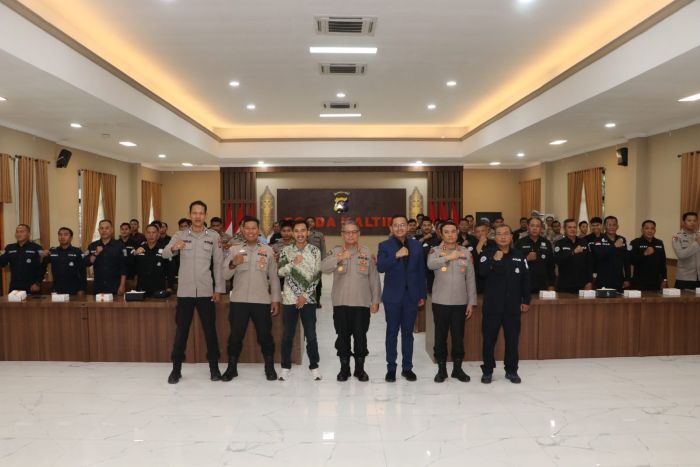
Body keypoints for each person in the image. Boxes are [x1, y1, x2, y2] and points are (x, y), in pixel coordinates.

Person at [162, 201, 225, 384]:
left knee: (210, 332)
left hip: (206, 292)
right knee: (181, 332)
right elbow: (165, 253)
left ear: (205, 215)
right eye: (194, 213)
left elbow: (218, 265)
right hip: (185, 292)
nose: (197, 216)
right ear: (190, 215)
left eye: (201, 213)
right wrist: (174, 247)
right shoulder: (180, 235)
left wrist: (218, 289)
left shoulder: (213, 236)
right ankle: (176, 370)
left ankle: (214, 369)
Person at [221, 216, 281, 382]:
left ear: (258, 230)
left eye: (254, 228)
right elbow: (225, 275)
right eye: (247, 228)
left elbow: (274, 277)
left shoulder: (268, 250)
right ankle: (232, 368)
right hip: (239, 301)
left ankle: (269, 367)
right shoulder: (234, 249)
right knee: (235, 337)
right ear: (242, 230)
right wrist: (233, 263)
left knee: (265, 336)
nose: (250, 231)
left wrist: (275, 299)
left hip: (261, 301)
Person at [321, 220, 381, 382]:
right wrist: (339, 258)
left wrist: (375, 300)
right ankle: (344, 369)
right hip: (340, 304)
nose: (350, 235)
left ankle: (360, 370)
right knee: (342, 338)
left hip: (361, 304)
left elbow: (374, 279)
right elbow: (323, 268)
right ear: (342, 235)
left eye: (354, 232)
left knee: (361, 338)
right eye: (347, 232)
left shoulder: (366, 252)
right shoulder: (336, 251)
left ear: (359, 234)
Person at [377, 215, 427, 382]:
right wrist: (396, 256)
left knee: (408, 334)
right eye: (396, 225)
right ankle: (391, 368)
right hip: (392, 296)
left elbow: (421, 271)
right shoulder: (384, 245)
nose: (399, 228)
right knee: (392, 333)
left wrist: (421, 294)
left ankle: (407, 368)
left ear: (408, 227)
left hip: (411, 296)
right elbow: (380, 267)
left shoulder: (416, 245)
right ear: (391, 228)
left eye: (402, 225)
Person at [479, 225, 531, 384]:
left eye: (506, 234)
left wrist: (526, 300)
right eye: (499, 234)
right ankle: (487, 371)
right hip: (492, 306)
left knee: (512, 340)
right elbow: (481, 273)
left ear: (511, 237)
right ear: (494, 237)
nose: (503, 237)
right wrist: (493, 260)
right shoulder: (487, 253)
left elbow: (526, 279)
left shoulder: (519, 255)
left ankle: (511, 370)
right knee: (489, 340)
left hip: (512, 306)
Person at [427, 221, 477, 383]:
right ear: (441, 234)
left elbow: (470, 279)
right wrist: (448, 257)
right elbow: (430, 265)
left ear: (457, 233)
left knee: (458, 337)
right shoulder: (435, 251)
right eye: (446, 232)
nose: (450, 235)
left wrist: (471, 302)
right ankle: (441, 369)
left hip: (460, 302)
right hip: (440, 302)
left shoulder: (465, 252)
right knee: (440, 337)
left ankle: (457, 369)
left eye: (453, 231)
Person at [278, 219, 322, 381]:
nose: (300, 234)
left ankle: (314, 366)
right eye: (296, 231)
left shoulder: (315, 251)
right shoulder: (286, 251)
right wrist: (292, 263)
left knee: (311, 335)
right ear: (292, 233)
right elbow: (280, 272)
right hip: (289, 299)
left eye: (303, 230)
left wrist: (304, 295)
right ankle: (285, 367)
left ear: (308, 232)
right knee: (287, 335)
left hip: (308, 299)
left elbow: (317, 276)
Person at [0, 224, 47, 293]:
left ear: (29, 234)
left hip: (32, 287)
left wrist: (37, 283)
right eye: (17, 232)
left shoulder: (36, 247)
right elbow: (2, 263)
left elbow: (42, 267)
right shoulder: (9, 247)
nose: (19, 234)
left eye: (22, 232)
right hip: (14, 287)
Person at [84, 220, 127, 295]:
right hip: (98, 286)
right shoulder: (92, 245)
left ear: (112, 230)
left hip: (115, 286)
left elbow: (124, 267)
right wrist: (95, 254)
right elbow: (86, 263)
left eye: (107, 228)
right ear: (98, 230)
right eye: (101, 228)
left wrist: (122, 285)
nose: (104, 230)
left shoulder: (120, 245)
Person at [514, 217, 555, 293]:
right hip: (524, 284)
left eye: (537, 226)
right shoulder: (519, 243)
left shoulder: (547, 243)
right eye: (532, 225)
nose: (535, 228)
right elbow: (514, 264)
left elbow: (551, 266)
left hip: (543, 285)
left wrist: (551, 285)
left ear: (541, 228)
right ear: (528, 227)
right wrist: (526, 259)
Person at [590, 216, 631, 291]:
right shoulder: (598, 239)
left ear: (617, 226)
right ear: (604, 226)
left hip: (619, 280)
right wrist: (614, 246)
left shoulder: (622, 239)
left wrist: (627, 279)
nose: (612, 227)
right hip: (603, 279)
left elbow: (626, 260)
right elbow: (598, 255)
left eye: (614, 225)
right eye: (609, 225)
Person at [553, 219, 593, 293]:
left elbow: (589, 263)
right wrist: (573, 252)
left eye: (574, 227)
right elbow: (557, 260)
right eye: (569, 227)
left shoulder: (583, 242)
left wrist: (589, 281)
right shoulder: (559, 243)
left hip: (582, 284)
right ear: (565, 229)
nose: (572, 229)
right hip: (565, 284)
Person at [48, 227, 86, 296]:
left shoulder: (77, 251)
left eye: (65, 234)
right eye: (60, 234)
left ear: (71, 237)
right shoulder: (52, 251)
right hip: (57, 289)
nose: (62, 237)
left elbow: (82, 272)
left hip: (74, 290)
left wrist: (82, 289)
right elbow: (42, 265)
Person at [132, 224, 169, 295]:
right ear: (145, 235)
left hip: (158, 288)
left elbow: (170, 269)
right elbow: (131, 265)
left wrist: (169, 286)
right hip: (142, 288)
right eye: (148, 233)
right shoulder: (139, 248)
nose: (151, 235)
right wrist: (134, 254)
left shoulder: (164, 249)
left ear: (158, 234)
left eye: (153, 232)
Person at [630, 220, 667, 291]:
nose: (650, 231)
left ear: (655, 230)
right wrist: (644, 254)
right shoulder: (635, 242)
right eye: (647, 228)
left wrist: (665, 279)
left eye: (652, 228)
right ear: (642, 230)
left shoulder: (659, 243)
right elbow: (632, 261)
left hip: (656, 282)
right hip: (639, 282)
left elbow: (663, 263)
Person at [671, 212, 700, 289]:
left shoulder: (698, 236)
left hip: (698, 277)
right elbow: (681, 255)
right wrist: (696, 244)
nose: (692, 223)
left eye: (694, 220)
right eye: (689, 220)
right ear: (683, 222)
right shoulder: (677, 237)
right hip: (685, 278)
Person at [415, 217, 440, 293]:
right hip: (419, 271)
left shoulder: (437, 238)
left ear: (432, 226)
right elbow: (414, 251)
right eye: (424, 225)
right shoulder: (416, 238)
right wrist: (423, 239)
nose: (427, 227)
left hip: (434, 272)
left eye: (429, 225)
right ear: (421, 226)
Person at [305, 216, 326, 307]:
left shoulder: (319, 235)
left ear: (314, 223)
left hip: (317, 262)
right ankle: (307, 299)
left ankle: (317, 301)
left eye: (312, 221)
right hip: (305, 262)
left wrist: (323, 261)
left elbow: (323, 248)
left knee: (318, 283)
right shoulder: (303, 234)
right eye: (308, 222)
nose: (310, 223)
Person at [473, 221, 497, 293]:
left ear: (487, 231)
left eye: (483, 231)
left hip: (493, 277)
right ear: (475, 233)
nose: (480, 233)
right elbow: (473, 259)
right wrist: (481, 243)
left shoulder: (494, 243)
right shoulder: (471, 244)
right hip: (478, 279)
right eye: (478, 232)